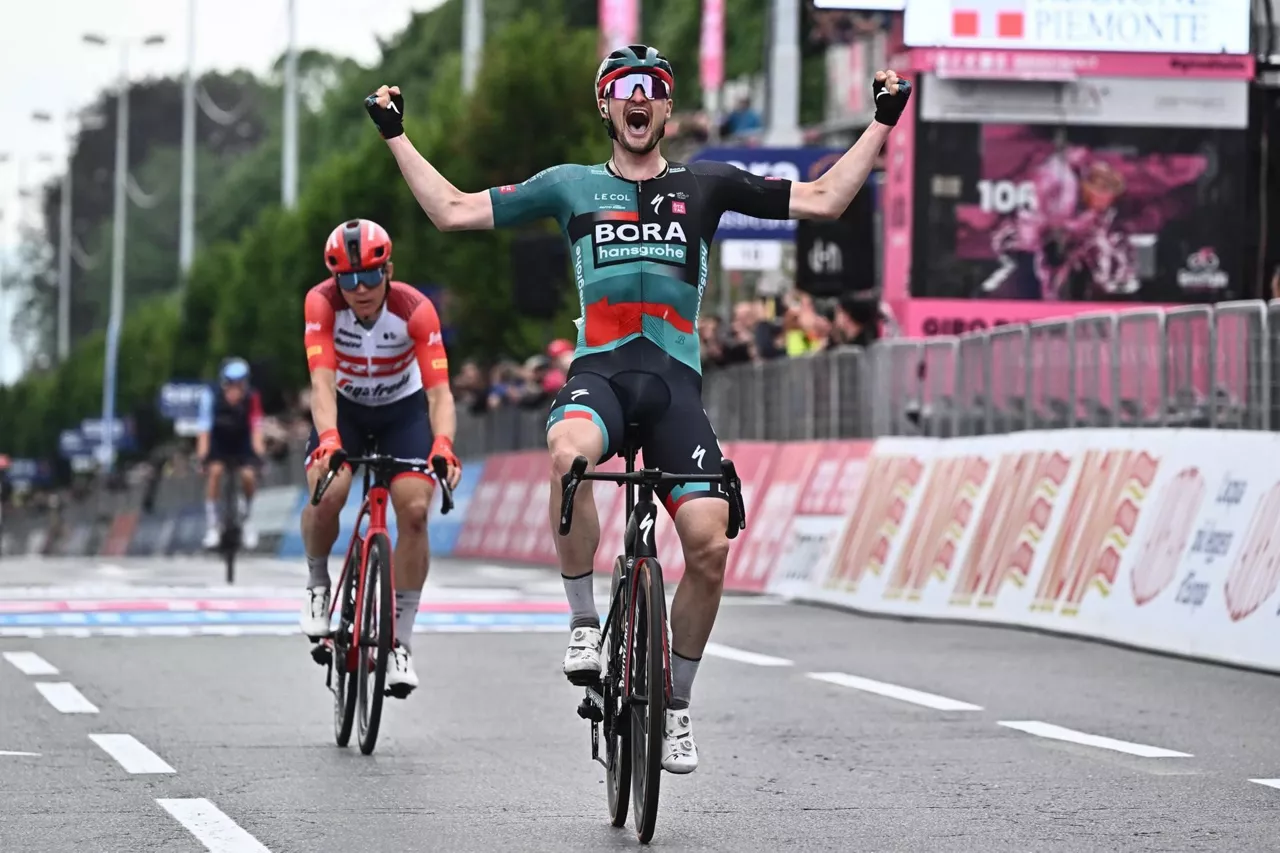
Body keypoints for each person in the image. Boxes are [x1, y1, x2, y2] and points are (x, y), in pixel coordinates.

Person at [364, 46, 911, 771]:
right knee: (570, 457)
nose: (639, 98)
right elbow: (454, 210)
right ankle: (586, 624)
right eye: (624, 88)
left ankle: (676, 705)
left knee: (711, 547)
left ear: (667, 108)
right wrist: (396, 134)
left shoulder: (705, 184)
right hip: (602, 376)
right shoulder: (572, 186)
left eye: (653, 88)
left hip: (677, 388)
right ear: (606, 106)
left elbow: (822, 199)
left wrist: (880, 124)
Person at [299, 218, 463, 698]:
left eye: (369, 277)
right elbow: (322, 382)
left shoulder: (415, 310)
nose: (359, 289)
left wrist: (443, 444)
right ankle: (316, 584)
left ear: (388, 270)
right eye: (347, 280)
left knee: (413, 509)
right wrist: (328, 437)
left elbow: (440, 394)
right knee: (329, 490)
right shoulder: (321, 303)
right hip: (345, 409)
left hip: (402, 412)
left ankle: (401, 643)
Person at [196, 358, 266, 551]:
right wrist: (202, 457)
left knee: (248, 476)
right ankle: (213, 526)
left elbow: (256, 428)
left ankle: (247, 520)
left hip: (242, 439)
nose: (236, 390)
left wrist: (259, 456)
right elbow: (204, 430)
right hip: (219, 439)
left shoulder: (252, 397)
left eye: (240, 385)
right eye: (232, 385)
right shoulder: (210, 396)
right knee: (216, 472)